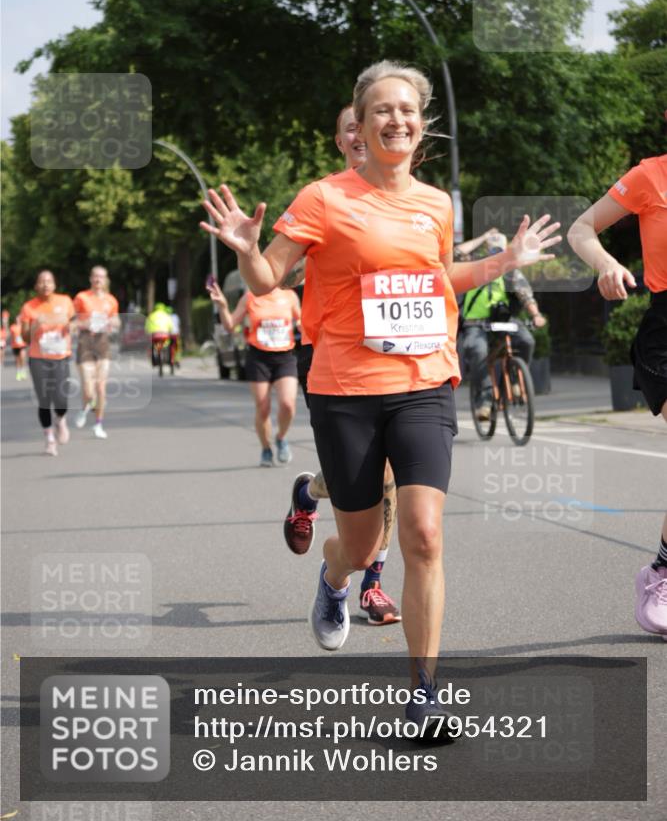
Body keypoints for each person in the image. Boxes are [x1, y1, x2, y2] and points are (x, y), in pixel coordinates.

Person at [201, 59, 560, 732]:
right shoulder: (323, 197)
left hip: (423, 382)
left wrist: (502, 263)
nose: (396, 120)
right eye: (381, 111)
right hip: (344, 388)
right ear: (360, 127)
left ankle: (424, 695)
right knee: (361, 545)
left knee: (423, 535)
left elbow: (437, 278)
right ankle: (335, 580)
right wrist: (248, 249)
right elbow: (266, 278)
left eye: (407, 110)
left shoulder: (433, 203)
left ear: (420, 125)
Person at [282, 104, 401, 627]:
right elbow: (276, 272)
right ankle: (309, 492)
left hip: (395, 353)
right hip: (329, 353)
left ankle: (372, 587)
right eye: (349, 127)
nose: (360, 134)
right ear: (339, 140)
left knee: (390, 474)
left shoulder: (406, 196)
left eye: (365, 124)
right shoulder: (321, 197)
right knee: (360, 475)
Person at [568, 153, 667, 638]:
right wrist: (606, 263)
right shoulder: (651, 175)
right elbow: (581, 228)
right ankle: (664, 575)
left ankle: (660, 569)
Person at [209, 281, 300, 467]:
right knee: (263, 407)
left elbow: (302, 322)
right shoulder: (250, 297)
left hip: (285, 357)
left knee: (288, 404)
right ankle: (266, 449)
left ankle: (281, 438)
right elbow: (230, 325)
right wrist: (223, 306)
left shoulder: (290, 296)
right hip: (259, 358)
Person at [458, 231, 547, 420]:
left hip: (502, 319)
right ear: (485, 250)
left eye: (499, 250)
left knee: (526, 340)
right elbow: (457, 252)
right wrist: (483, 237)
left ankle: (515, 376)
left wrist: (536, 315)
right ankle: (486, 399)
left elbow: (525, 294)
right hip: (475, 322)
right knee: (478, 350)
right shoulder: (472, 265)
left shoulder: (509, 271)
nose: (495, 253)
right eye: (492, 249)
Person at [18, 270, 75, 456]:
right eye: (41, 281)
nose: (45, 284)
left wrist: (70, 326)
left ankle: (60, 418)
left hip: (60, 356)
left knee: (60, 397)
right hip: (38, 357)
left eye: (49, 281)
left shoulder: (65, 301)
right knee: (43, 399)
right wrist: (36, 324)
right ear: (36, 286)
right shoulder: (29, 307)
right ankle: (49, 438)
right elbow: (25, 337)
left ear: (54, 284)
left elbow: (74, 323)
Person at [73, 266, 120, 439]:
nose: (98, 280)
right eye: (95, 276)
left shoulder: (111, 300)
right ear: (90, 278)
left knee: (101, 388)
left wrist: (112, 322)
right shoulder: (81, 297)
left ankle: (98, 424)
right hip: (85, 344)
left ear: (106, 280)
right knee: (88, 388)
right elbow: (72, 321)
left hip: (102, 344)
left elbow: (117, 319)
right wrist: (86, 324)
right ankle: (85, 407)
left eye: (101, 277)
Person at [145, 302, 174, 367]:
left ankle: (153, 361)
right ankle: (170, 359)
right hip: (165, 335)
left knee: (152, 346)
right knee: (169, 345)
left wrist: (148, 332)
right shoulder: (166, 315)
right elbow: (171, 326)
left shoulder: (152, 315)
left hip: (155, 335)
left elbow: (147, 326)